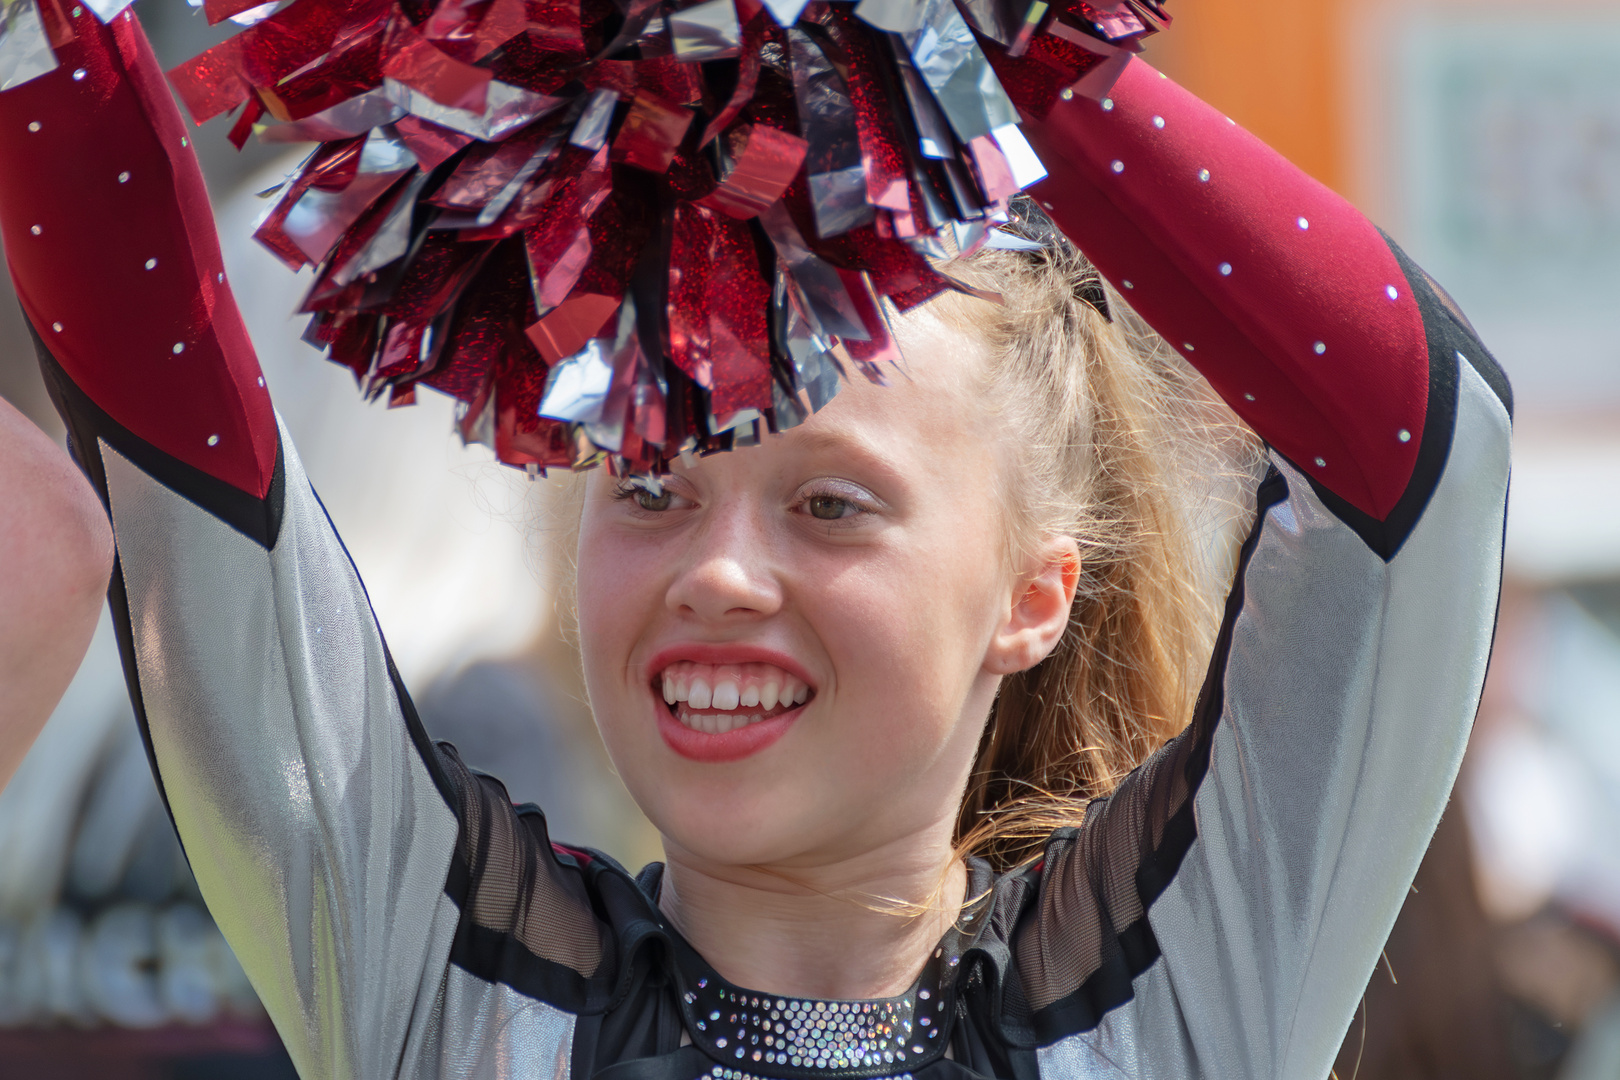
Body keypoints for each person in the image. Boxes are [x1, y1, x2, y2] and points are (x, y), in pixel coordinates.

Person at [0, 4, 1511, 1079]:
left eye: (830, 505)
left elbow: (1426, 445)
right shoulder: (437, 992)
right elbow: (162, 408)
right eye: (650, 490)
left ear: (1034, 594)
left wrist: (956, 42)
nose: (716, 575)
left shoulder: (1183, 1015)